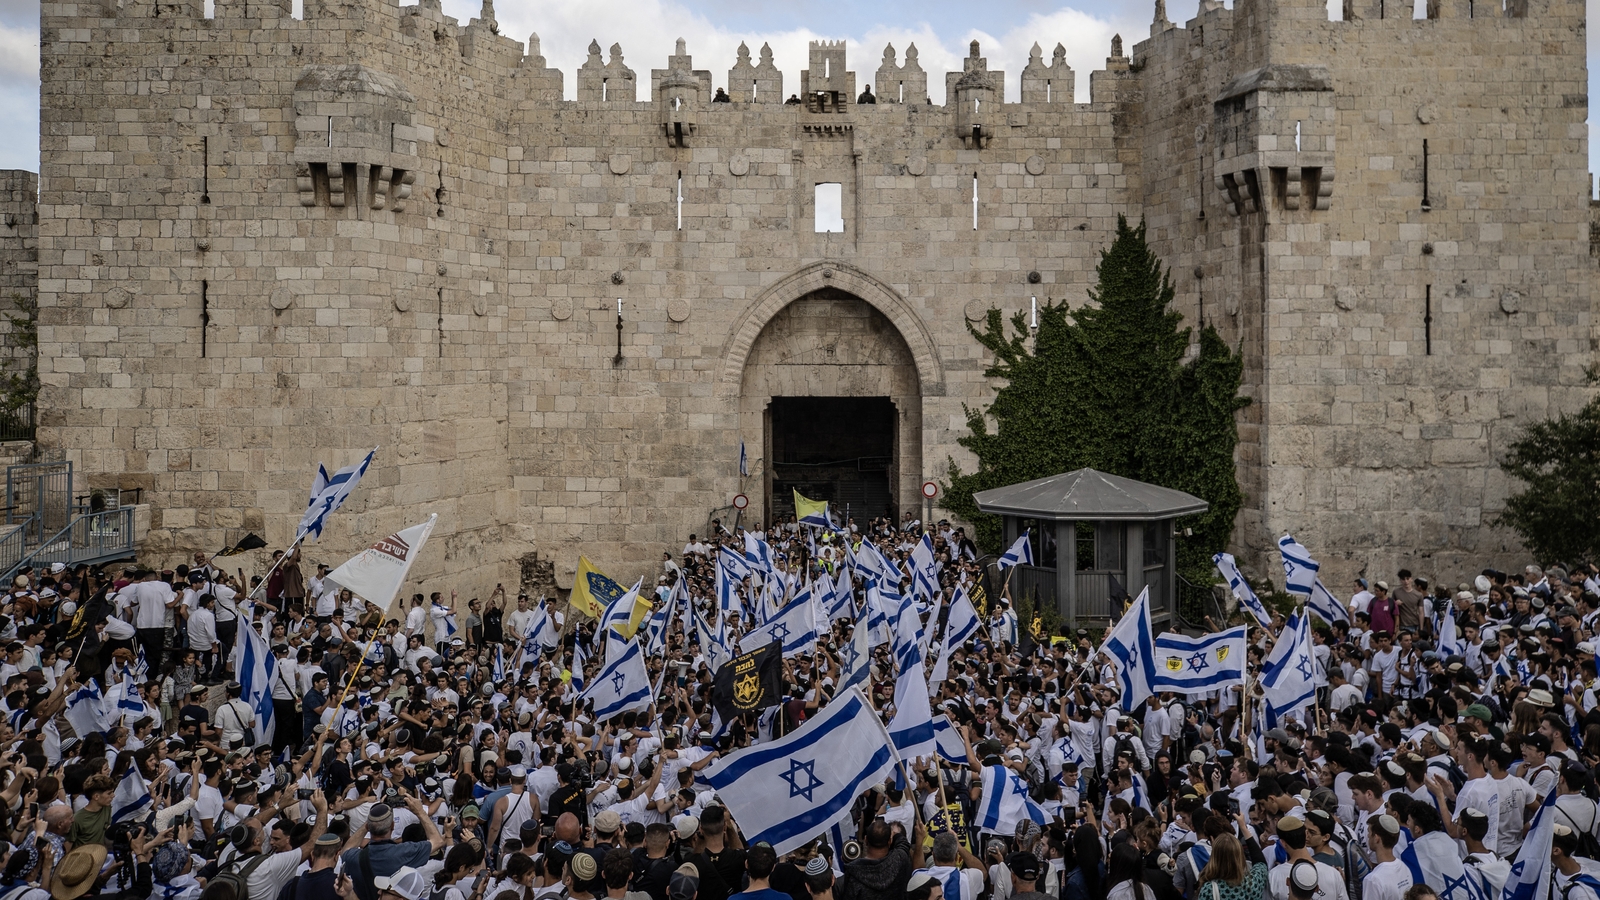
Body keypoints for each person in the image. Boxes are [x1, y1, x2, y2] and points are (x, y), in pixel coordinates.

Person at [340, 799, 445, 900]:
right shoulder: (404, 852)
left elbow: (346, 850)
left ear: (368, 827)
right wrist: (420, 812)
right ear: (392, 826)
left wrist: (371, 821)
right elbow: (438, 841)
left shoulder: (355, 857)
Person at [1195, 831, 1267, 900]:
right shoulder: (1253, 883)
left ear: (1214, 858)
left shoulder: (1208, 890)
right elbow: (1260, 862)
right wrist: (1244, 828)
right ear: (1240, 857)